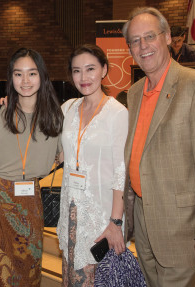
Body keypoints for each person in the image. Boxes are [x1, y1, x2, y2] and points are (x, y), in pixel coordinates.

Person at [122, 7, 195, 286]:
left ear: (168, 37)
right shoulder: (134, 93)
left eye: (149, 36)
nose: (142, 46)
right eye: (134, 41)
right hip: (143, 216)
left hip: (181, 223)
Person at [0, 48, 64, 286]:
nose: (25, 81)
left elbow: (65, 157)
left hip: (30, 201)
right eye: (18, 74)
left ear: (42, 76)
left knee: (28, 267)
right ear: (10, 78)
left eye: (32, 73)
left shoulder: (55, 117)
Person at [56, 44, 128, 286]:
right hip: (70, 210)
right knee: (72, 276)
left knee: (100, 278)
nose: (84, 77)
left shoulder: (117, 113)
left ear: (104, 70)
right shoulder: (68, 108)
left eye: (90, 69)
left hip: (101, 214)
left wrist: (115, 223)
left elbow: (121, 171)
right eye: (77, 71)